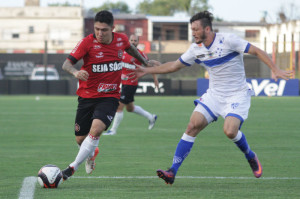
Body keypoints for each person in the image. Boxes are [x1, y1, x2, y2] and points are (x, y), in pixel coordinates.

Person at [132, 11, 292, 185]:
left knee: (230, 131)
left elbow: (257, 50)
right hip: (214, 95)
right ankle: (172, 171)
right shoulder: (196, 49)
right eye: (191, 29)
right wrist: (147, 71)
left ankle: (250, 155)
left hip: (237, 94)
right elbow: (174, 66)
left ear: (207, 29)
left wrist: (274, 69)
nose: (192, 33)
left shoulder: (229, 40)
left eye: (195, 29)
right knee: (192, 125)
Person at [60, 10, 154, 180]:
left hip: (110, 96)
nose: (99, 33)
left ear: (113, 28)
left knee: (96, 130)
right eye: (97, 29)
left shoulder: (121, 39)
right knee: (81, 139)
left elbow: (131, 49)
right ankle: (91, 153)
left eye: (104, 30)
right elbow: (66, 64)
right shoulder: (86, 43)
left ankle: (71, 168)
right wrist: (75, 72)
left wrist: (145, 62)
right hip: (87, 96)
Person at [103, 34, 158, 136]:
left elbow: (150, 66)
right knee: (130, 108)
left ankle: (113, 130)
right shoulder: (122, 52)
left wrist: (155, 79)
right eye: (131, 40)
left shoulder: (139, 55)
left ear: (138, 42)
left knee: (119, 106)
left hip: (131, 84)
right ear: (128, 41)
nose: (133, 42)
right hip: (122, 83)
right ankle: (151, 117)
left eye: (135, 40)